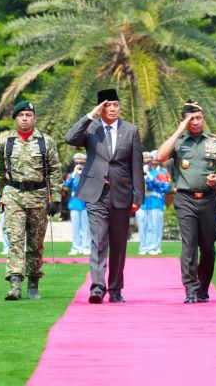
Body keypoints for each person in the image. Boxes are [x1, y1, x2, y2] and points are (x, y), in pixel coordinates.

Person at [64, 89, 145, 304]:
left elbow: (137, 165)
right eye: (108, 105)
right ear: (101, 108)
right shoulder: (91, 128)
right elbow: (70, 138)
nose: (113, 109)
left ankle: (116, 289)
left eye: (116, 105)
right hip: (95, 193)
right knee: (98, 240)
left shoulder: (131, 130)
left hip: (121, 193)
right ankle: (97, 288)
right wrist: (90, 115)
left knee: (119, 244)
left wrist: (139, 196)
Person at [157, 99, 216, 304]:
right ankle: (190, 288)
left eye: (199, 118)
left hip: (208, 199)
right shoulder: (179, 141)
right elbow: (160, 156)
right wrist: (179, 129)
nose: (196, 122)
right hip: (185, 199)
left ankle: (203, 288)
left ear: (204, 119)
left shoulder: (215, 142)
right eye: (191, 119)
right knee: (188, 244)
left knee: (208, 247)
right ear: (184, 121)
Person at [0, 101, 63, 301]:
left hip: (38, 197)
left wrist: (56, 198)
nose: (25, 118)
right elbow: (1, 171)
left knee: (35, 244)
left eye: (28, 114)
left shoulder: (46, 141)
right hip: (13, 195)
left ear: (34, 118)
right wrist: (1, 196)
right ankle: (15, 285)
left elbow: (54, 171)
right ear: (15, 118)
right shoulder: (4, 141)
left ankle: (33, 282)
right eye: (21, 115)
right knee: (15, 240)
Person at [137, 151, 171, 255]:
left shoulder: (160, 172)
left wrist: (150, 178)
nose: (146, 164)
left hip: (155, 202)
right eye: (144, 162)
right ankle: (143, 247)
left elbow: (166, 187)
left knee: (154, 226)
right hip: (142, 203)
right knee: (142, 226)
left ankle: (153, 247)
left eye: (148, 162)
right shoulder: (138, 172)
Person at [64, 153, 90, 256]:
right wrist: (74, 173)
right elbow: (66, 185)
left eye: (81, 163)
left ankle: (86, 247)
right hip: (74, 203)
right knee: (75, 228)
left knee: (86, 227)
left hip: (84, 203)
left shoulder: (87, 174)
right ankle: (76, 247)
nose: (79, 164)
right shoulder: (71, 175)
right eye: (77, 163)